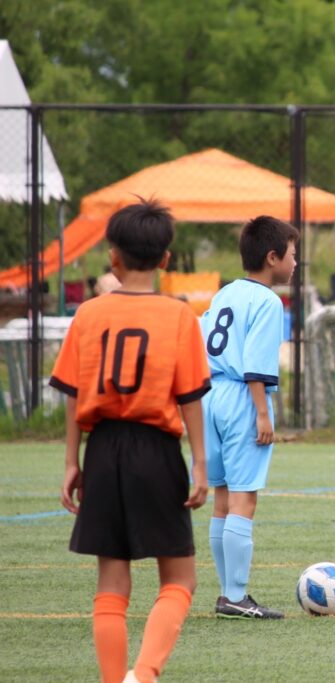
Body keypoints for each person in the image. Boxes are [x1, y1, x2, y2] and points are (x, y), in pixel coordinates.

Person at [51, 199, 211, 683]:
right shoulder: (179, 316)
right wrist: (200, 463)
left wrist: (72, 461)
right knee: (179, 577)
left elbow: (72, 394)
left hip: (102, 448)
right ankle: (143, 675)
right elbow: (190, 398)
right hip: (156, 451)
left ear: (112, 256)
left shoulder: (88, 314)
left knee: (112, 580)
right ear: (166, 259)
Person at [202, 215, 298, 619]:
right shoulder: (268, 301)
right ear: (272, 257)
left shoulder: (225, 293)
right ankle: (237, 596)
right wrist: (262, 414)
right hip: (243, 398)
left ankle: (228, 594)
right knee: (244, 498)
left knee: (222, 498)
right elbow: (257, 365)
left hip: (209, 395)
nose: (295, 263)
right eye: (292, 255)